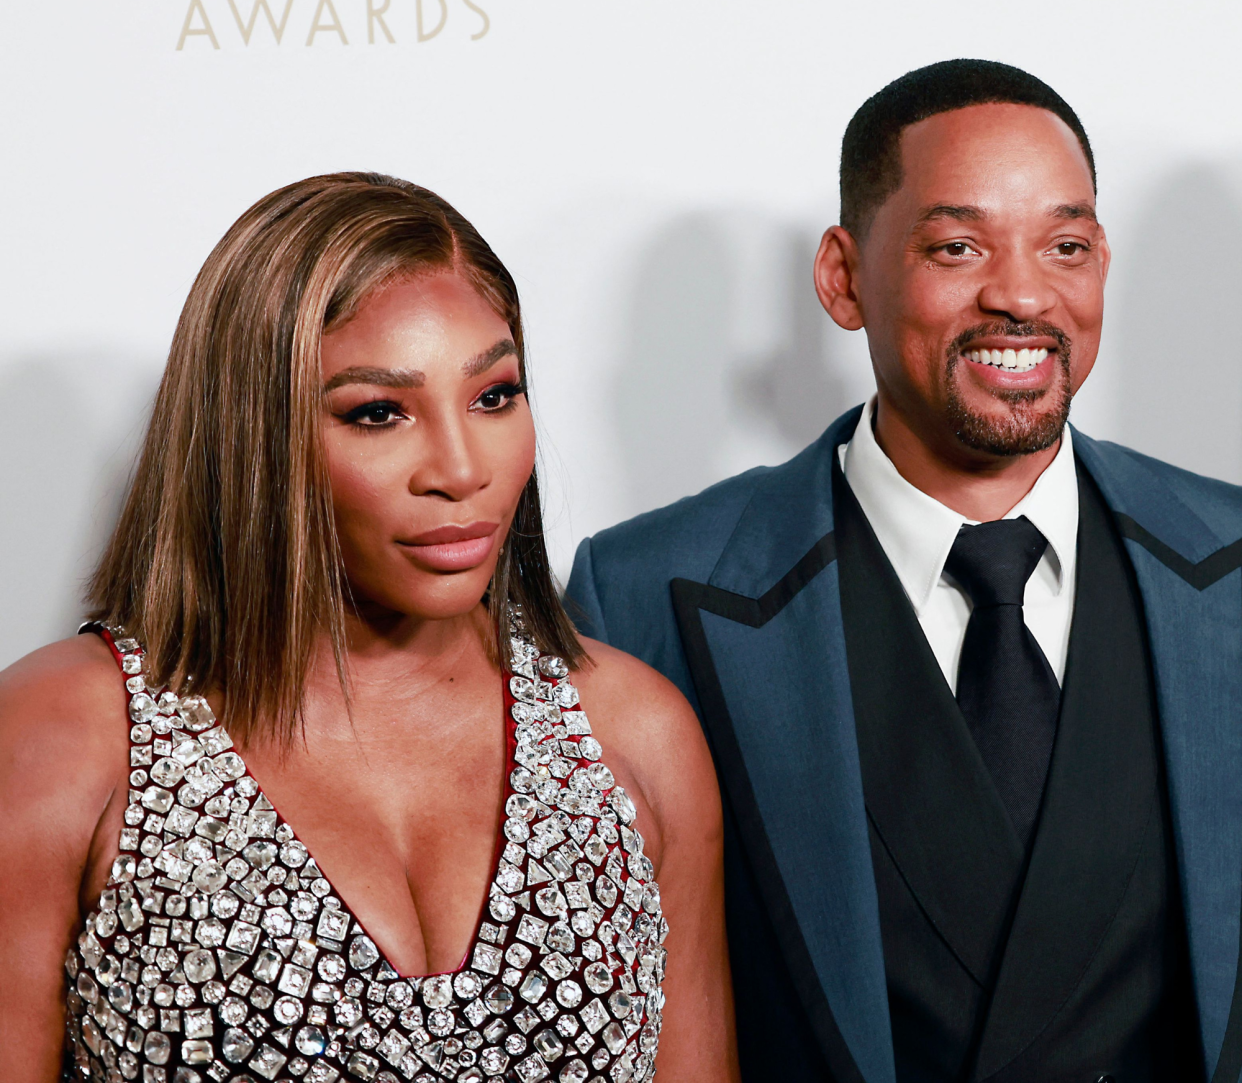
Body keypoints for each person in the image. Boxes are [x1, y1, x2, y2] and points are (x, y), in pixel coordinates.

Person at [566, 60, 1242, 1082]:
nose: (1021, 293)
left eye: (1065, 246)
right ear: (843, 277)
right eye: (957, 246)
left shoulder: (1230, 566)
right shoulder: (649, 596)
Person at [0, 173, 739, 1083]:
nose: (461, 468)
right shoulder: (64, 736)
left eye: (494, 395)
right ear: (253, 434)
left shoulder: (634, 732)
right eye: (378, 413)